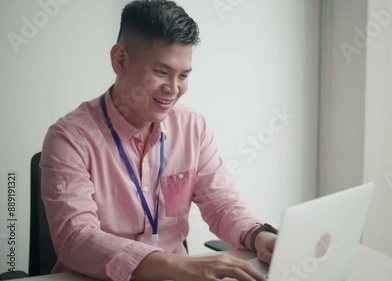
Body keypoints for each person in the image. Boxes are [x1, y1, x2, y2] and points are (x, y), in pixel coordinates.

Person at [40, 1, 277, 280]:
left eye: (184, 76)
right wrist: (183, 266)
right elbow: (76, 238)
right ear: (121, 60)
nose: (173, 90)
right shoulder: (69, 138)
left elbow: (222, 205)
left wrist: (258, 236)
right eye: (162, 72)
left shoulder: (192, 127)